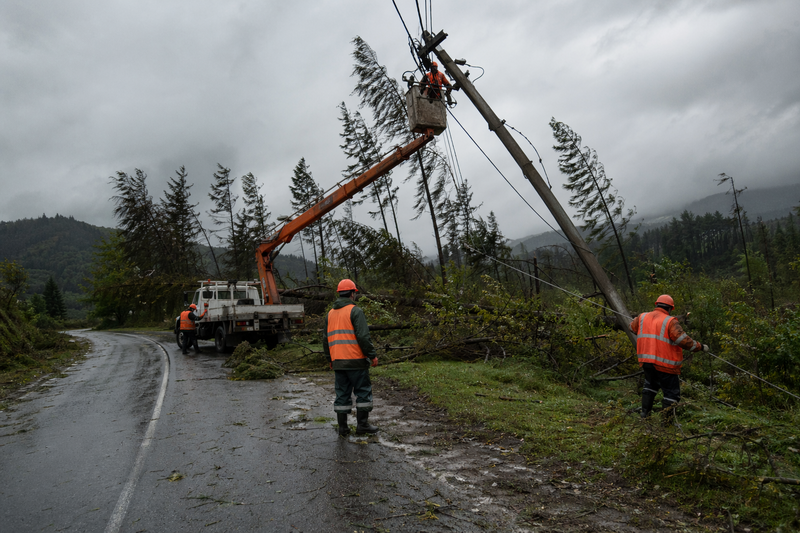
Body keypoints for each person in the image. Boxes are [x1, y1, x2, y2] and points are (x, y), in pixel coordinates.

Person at [630, 294, 708, 423]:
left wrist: (634, 321)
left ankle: (645, 416)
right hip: (665, 365)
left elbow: (631, 327)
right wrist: (700, 347)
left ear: (656, 305)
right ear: (670, 308)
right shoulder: (670, 321)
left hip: (646, 363)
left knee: (650, 386)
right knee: (671, 394)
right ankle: (667, 425)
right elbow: (683, 340)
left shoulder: (642, 317)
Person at [323, 279, 379, 436]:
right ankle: (362, 426)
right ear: (353, 293)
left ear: (339, 294)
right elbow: (363, 336)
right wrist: (371, 355)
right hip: (356, 361)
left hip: (338, 363)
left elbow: (325, 340)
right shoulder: (355, 311)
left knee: (342, 394)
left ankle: (343, 428)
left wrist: (329, 359)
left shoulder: (330, 314)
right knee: (363, 392)